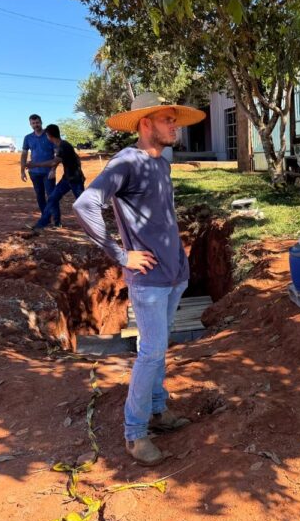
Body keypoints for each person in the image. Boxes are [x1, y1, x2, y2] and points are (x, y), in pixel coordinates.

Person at [73, 93, 205, 466]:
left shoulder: (161, 161)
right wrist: (120, 255)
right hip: (148, 280)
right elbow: (85, 206)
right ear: (145, 123)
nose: (174, 125)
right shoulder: (126, 162)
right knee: (150, 352)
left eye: (175, 120)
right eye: (167, 119)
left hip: (174, 273)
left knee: (158, 349)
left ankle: (159, 411)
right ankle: (134, 434)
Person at [28, 124, 86, 231]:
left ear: (49, 136)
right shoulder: (62, 145)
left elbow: (54, 162)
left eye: (46, 135)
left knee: (83, 203)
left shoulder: (63, 146)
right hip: (67, 178)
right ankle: (43, 223)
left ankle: (94, 226)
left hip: (75, 180)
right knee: (52, 199)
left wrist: (35, 164)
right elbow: (72, 159)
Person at [21, 114, 59, 226]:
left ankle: (57, 221)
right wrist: (22, 170)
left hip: (48, 173)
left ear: (41, 122)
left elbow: (57, 154)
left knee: (52, 196)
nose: (35, 125)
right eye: (33, 123)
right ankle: (45, 219)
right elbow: (24, 154)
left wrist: (53, 169)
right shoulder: (28, 138)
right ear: (30, 124)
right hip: (34, 173)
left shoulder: (49, 136)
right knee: (40, 196)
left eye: (37, 122)